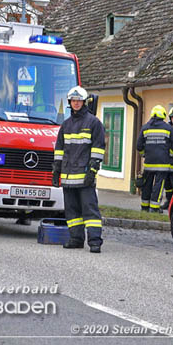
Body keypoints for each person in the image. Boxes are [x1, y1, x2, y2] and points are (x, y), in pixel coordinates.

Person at [53, 86, 105, 253]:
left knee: (90, 210)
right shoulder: (66, 125)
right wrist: (56, 171)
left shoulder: (93, 122)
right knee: (72, 211)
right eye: (73, 101)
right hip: (68, 177)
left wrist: (93, 170)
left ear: (84, 102)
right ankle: (76, 238)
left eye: (79, 101)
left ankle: (95, 241)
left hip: (84, 177)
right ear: (70, 102)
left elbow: (98, 148)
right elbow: (59, 150)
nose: (76, 103)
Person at [137, 105, 173, 213]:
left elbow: (139, 145)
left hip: (149, 163)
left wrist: (144, 154)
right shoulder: (168, 128)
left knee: (147, 185)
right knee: (158, 186)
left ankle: (144, 207)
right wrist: (170, 154)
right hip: (163, 164)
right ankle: (154, 208)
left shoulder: (145, 127)